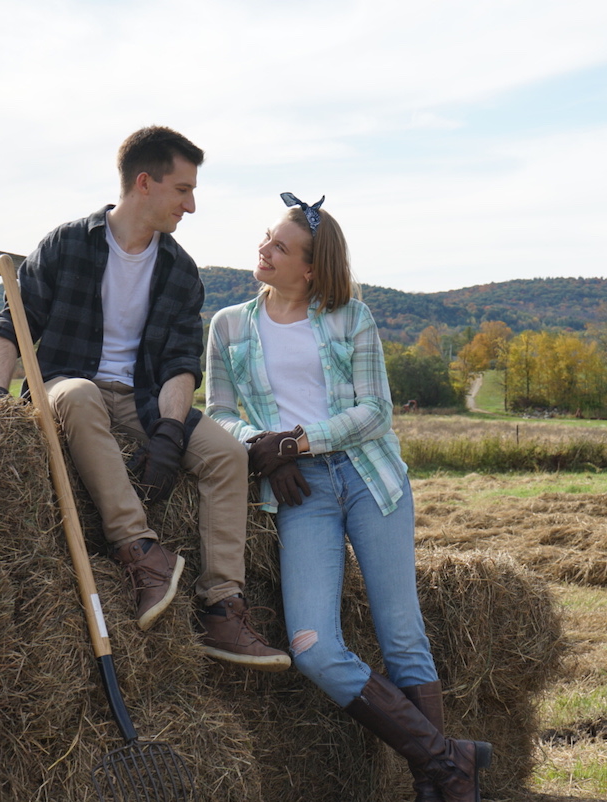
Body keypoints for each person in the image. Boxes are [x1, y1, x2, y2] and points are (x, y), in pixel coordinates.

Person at [205, 193, 491, 801]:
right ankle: (448, 759)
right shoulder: (227, 325)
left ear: (310, 267)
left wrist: (299, 441)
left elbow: (376, 413)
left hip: (368, 478)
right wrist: (264, 446)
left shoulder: (350, 318)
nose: (264, 249)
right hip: (298, 491)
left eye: (279, 246)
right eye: (265, 238)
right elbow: (219, 416)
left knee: (402, 635)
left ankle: (436, 785)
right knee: (312, 647)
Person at [0, 126, 289, 673]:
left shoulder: (179, 270)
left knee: (226, 454)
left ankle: (222, 605)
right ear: (144, 183)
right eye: (183, 189)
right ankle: (142, 553)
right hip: (66, 385)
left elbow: (179, 364)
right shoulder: (67, 245)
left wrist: (170, 432)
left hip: (144, 399)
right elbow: (11, 327)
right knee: (77, 394)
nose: (191, 205)